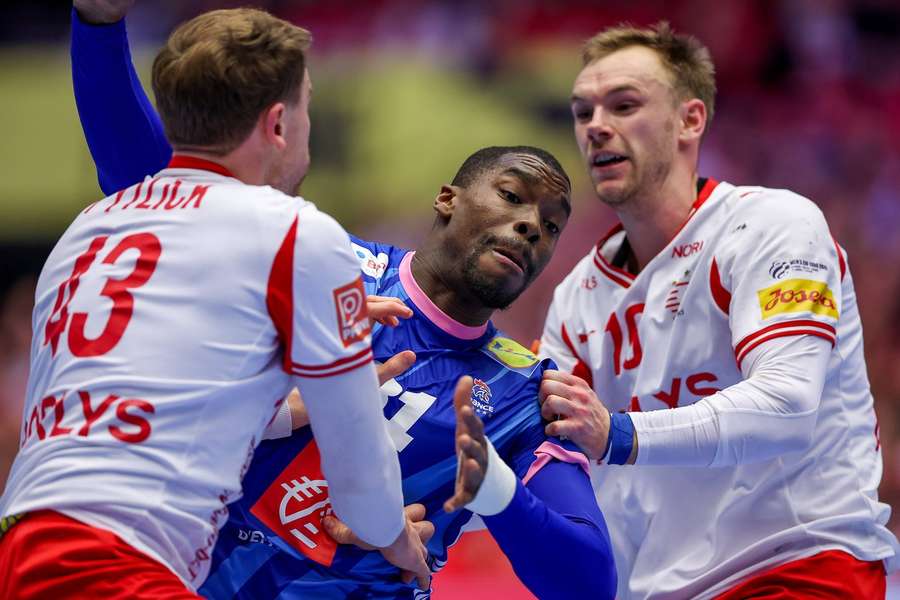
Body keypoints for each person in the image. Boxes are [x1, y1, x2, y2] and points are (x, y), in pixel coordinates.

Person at [67, 4, 618, 598]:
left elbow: (589, 583)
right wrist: (97, 27)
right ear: (447, 199)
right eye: (512, 196)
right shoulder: (316, 257)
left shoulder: (526, 393)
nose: (532, 226)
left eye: (552, 225)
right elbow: (149, 188)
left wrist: (492, 487)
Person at [0, 7, 431, 598]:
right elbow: (358, 468)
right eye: (308, 103)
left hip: (24, 549)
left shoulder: (89, 226)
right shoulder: (295, 231)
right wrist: (395, 538)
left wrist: (277, 408)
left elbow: (126, 394)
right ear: (279, 123)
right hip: (116, 565)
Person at [538, 21, 900, 598]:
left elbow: (786, 404)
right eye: (583, 113)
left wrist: (619, 433)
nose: (597, 127)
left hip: (800, 566)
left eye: (624, 105)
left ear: (691, 119)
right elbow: (552, 456)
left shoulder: (773, 225)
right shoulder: (576, 294)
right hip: (658, 587)